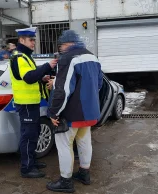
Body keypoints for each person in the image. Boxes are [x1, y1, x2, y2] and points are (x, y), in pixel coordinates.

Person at [46, 30, 103, 193]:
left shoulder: (68, 58)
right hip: (89, 113)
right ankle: (84, 174)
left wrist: (53, 112)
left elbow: (62, 90)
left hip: (71, 114)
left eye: (61, 45)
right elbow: (99, 85)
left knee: (64, 145)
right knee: (84, 142)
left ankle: (65, 181)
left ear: (68, 43)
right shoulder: (92, 57)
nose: (61, 49)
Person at [9, 27, 57, 178]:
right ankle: (27, 168)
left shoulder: (26, 57)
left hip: (32, 103)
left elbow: (32, 76)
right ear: (21, 40)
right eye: (31, 40)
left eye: (34, 40)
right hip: (26, 104)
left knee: (34, 134)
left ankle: (32, 161)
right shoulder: (19, 57)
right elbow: (28, 77)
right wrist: (47, 66)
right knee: (28, 136)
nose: (33, 43)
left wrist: (41, 78)